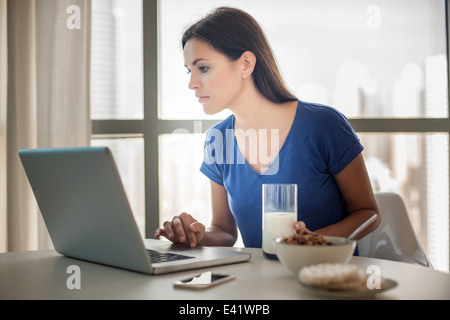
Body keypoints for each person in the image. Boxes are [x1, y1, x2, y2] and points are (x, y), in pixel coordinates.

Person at [155, 7, 380, 249]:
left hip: (325, 279)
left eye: (203, 68)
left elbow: (368, 212)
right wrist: (196, 236)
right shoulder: (217, 140)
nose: (191, 83)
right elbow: (224, 231)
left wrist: (313, 241)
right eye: (189, 71)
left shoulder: (324, 125)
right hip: (255, 285)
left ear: (246, 64)